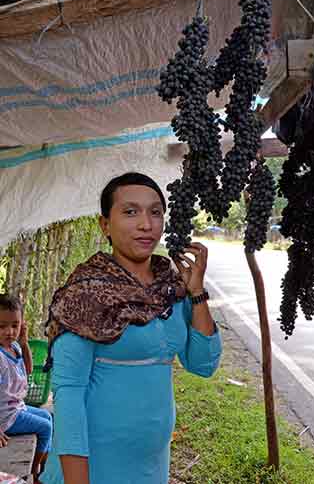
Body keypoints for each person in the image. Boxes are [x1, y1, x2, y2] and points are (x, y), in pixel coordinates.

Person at [40, 172, 222, 484]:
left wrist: (196, 292)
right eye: (130, 212)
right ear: (104, 224)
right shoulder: (84, 295)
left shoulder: (172, 287)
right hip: (92, 468)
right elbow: (69, 396)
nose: (146, 224)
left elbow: (203, 365)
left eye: (155, 212)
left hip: (151, 465)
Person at [0, 294, 53, 484]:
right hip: (5, 416)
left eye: (15, 326)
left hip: (16, 407)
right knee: (46, 427)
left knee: (48, 417)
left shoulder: (14, 346)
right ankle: (35, 472)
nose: (9, 331)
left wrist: (23, 341)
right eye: (2, 326)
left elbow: (28, 369)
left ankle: (45, 466)